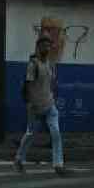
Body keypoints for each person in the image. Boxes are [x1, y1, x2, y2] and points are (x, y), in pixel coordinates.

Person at [14, 35, 65, 176]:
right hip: (35, 107)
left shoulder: (51, 64)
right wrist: (30, 103)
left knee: (56, 134)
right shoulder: (33, 64)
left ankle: (58, 165)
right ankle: (19, 159)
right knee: (30, 134)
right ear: (38, 47)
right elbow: (28, 85)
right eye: (43, 45)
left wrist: (52, 96)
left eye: (48, 45)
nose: (46, 48)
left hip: (50, 105)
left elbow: (52, 83)